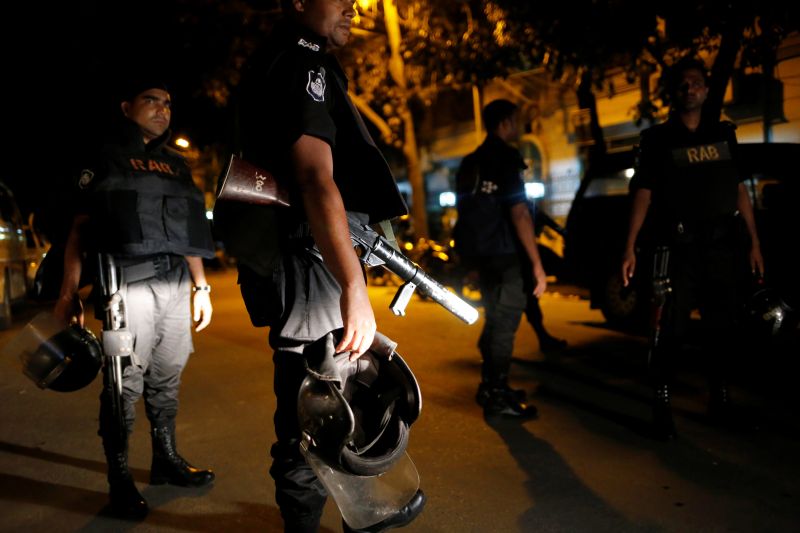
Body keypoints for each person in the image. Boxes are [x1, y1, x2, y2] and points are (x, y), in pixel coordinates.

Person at [222, 1, 421, 531]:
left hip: (310, 259)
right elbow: (314, 180)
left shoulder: (290, 59)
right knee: (316, 411)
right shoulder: (301, 62)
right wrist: (353, 284)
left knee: (329, 402)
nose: (353, 8)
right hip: (310, 266)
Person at [54, 79, 217, 519]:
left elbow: (188, 233)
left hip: (176, 283)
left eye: (168, 102)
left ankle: (165, 461)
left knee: (168, 375)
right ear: (126, 106)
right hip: (126, 282)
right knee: (123, 384)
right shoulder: (104, 155)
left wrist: (201, 287)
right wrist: (70, 293)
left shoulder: (175, 165)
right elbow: (79, 230)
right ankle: (120, 478)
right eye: (152, 100)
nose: (163, 109)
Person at [620, 57, 764, 440]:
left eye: (696, 83)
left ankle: (720, 400)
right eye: (683, 84)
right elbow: (643, 194)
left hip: (721, 248)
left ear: (706, 89)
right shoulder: (656, 141)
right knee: (670, 330)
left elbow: (740, 191)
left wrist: (754, 243)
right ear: (674, 92)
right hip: (676, 247)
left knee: (722, 328)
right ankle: (662, 404)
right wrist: (630, 247)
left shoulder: (724, 134)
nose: (690, 89)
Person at [454, 99, 547, 419]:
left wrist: (469, 263)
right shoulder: (506, 158)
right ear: (506, 123)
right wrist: (537, 264)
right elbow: (519, 212)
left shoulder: (470, 161)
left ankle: (491, 385)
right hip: (505, 254)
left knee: (495, 319)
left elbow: (464, 212)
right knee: (504, 324)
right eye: (516, 120)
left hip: (480, 255)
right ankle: (497, 395)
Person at [523, 200, 568, 352]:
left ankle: (543, 338)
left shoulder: (525, 204)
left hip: (521, 256)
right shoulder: (518, 204)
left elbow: (549, 223)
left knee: (529, 301)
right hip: (518, 257)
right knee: (526, 301)